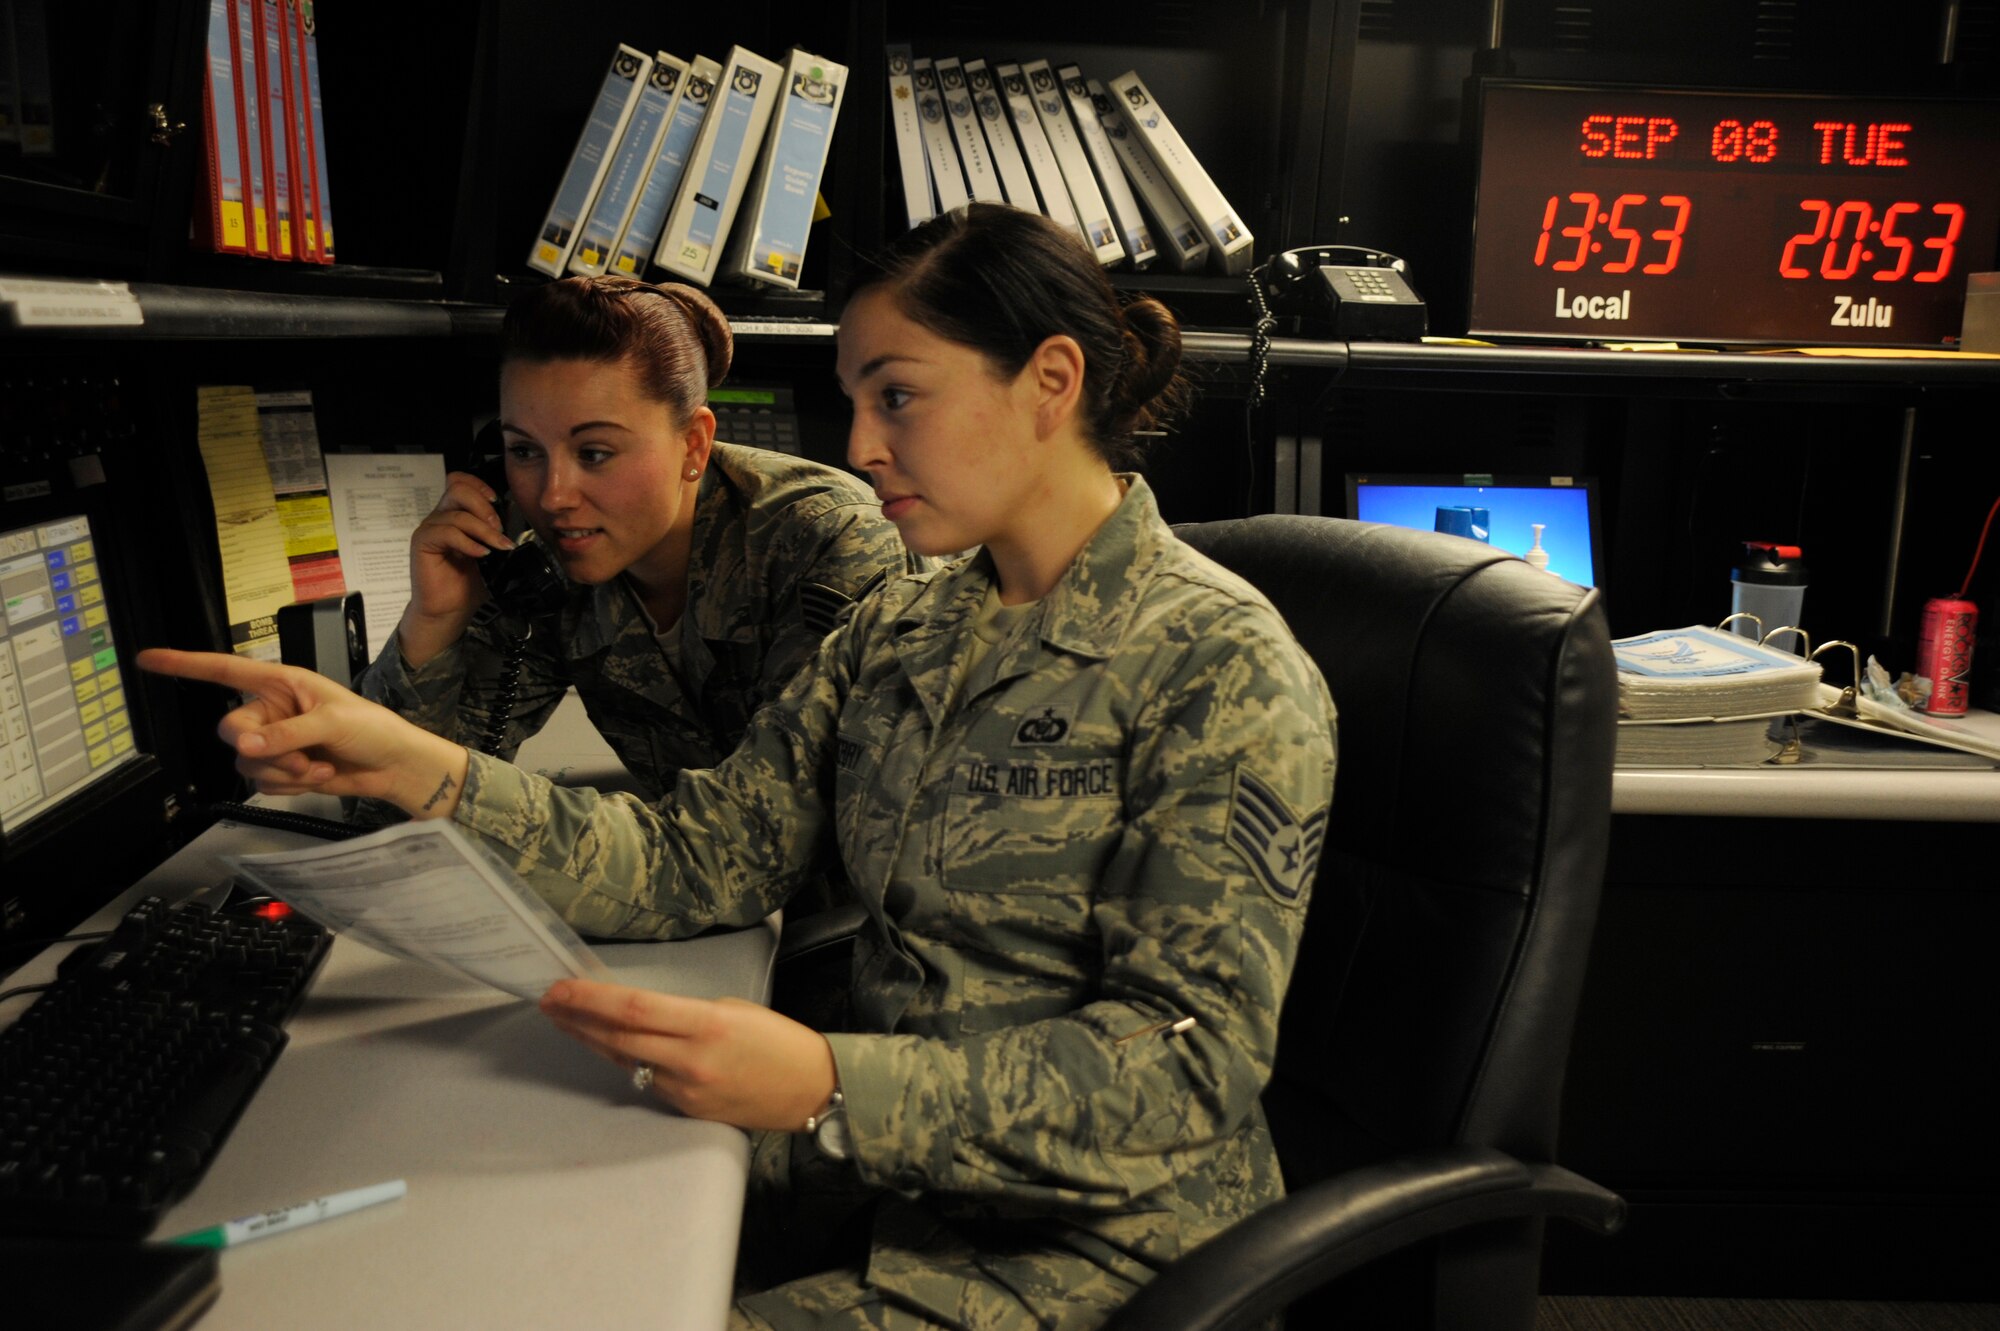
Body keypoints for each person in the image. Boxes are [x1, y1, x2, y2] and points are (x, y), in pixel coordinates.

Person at [141, 203, 1337, 1330]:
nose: (862, 445)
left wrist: (824, 1079)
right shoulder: (905, 630)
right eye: (854, 401)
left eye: (898, 397)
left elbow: (1184, 1075)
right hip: (882, 1187)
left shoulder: (1217, 664)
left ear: (1051, 382)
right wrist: (407, 757)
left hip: (1094, 1252)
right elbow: (695, 855)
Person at [355, 273, 910, 817]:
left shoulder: (824, 541)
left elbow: (786, 827)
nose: (552, 497)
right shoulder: (551, 570)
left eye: (594, 453)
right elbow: (388, 810)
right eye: (524, 452)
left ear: (693, 444)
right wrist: (433, 622)